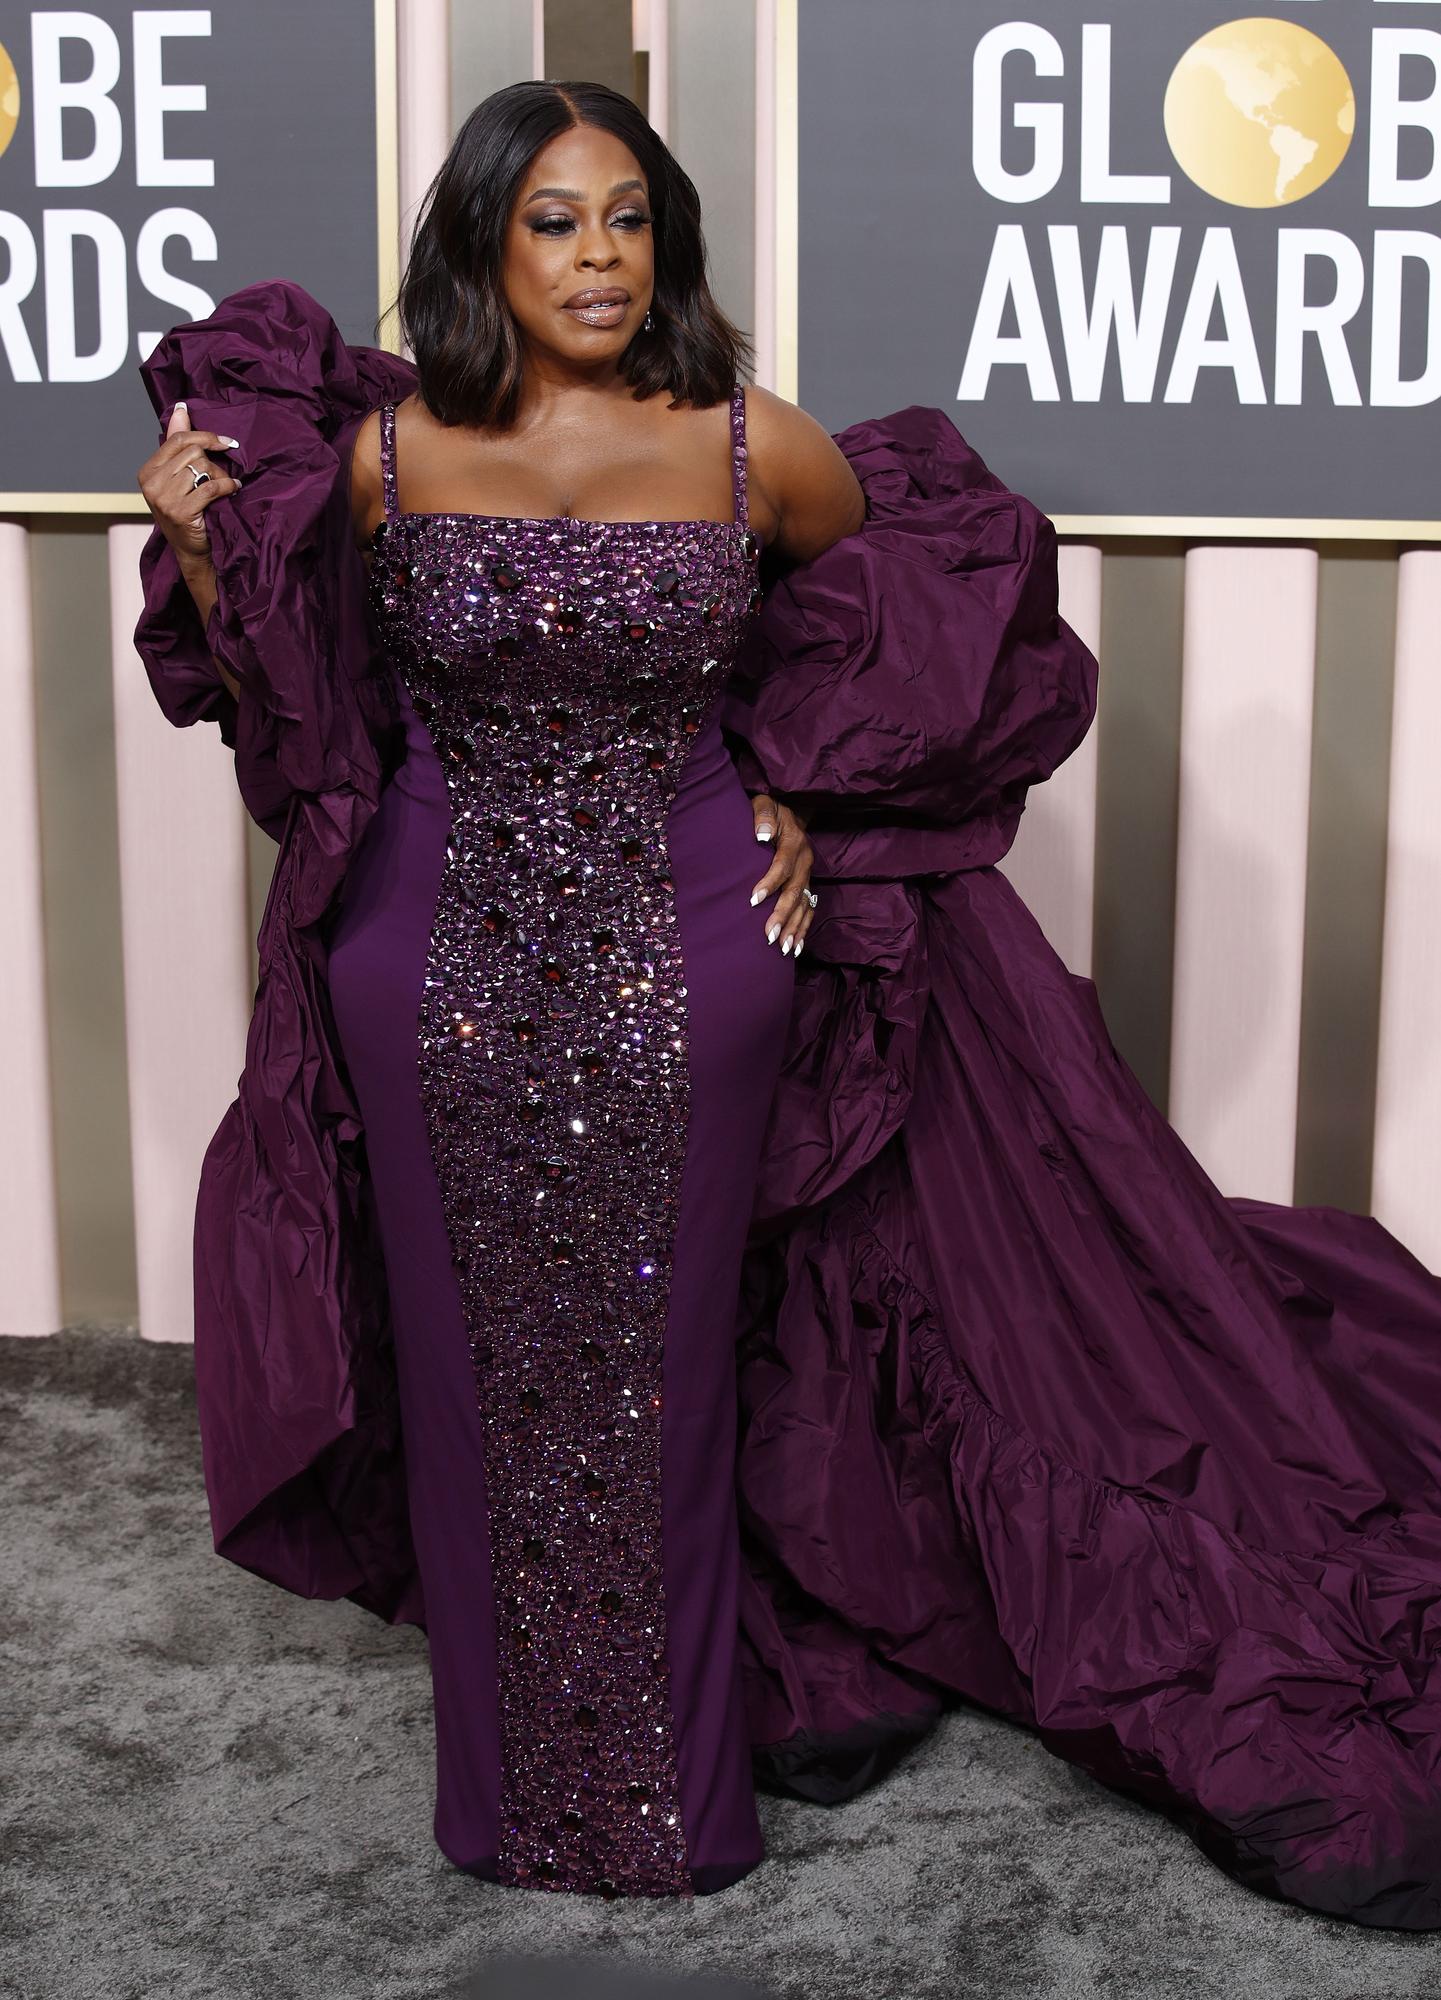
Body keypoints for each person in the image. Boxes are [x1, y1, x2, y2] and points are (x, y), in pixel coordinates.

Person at [133, 81, 1441, 1928]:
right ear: (483, 251)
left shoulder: (754, 447)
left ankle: (661, 1802)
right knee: (468, 1369)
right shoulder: (387, 455)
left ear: (665, 242)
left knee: (661, 1373)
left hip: (698, 952)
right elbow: (300, 718)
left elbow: (938, 615)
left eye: (628, 221)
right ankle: (504, 1795)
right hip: (428, 966)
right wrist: (201, 548)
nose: (597, 259)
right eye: (553, 224)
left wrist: (805, 784)